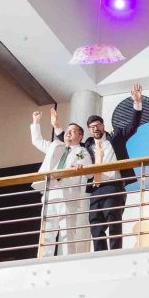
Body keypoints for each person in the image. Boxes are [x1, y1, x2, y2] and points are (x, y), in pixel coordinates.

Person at [82, 83, 144, 251]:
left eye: (98, 125)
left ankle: (115, 254)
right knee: (95, 225)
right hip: (95, 189)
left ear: (103, 126)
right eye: (92, 127)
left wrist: (137, 104)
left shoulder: (115, 137)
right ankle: (100, 256)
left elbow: (132, 126)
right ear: (89, 130)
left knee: (113, 222)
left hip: (114, 186)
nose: (95, 129)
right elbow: (69, 143)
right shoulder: (87, 146)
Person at [30, 109, 91, 256]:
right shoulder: (55, 146)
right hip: (50, 195)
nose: (69, 132)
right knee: (47, 235)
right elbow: (37, 141)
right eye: (68, 130)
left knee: (67, 235)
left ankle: (68, 265)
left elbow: (89, 171)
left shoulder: (81, 151)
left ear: (80, 135)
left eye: (73, 131)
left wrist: (80, 167)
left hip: (68, 197)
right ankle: (43, 264)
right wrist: (36, 122)